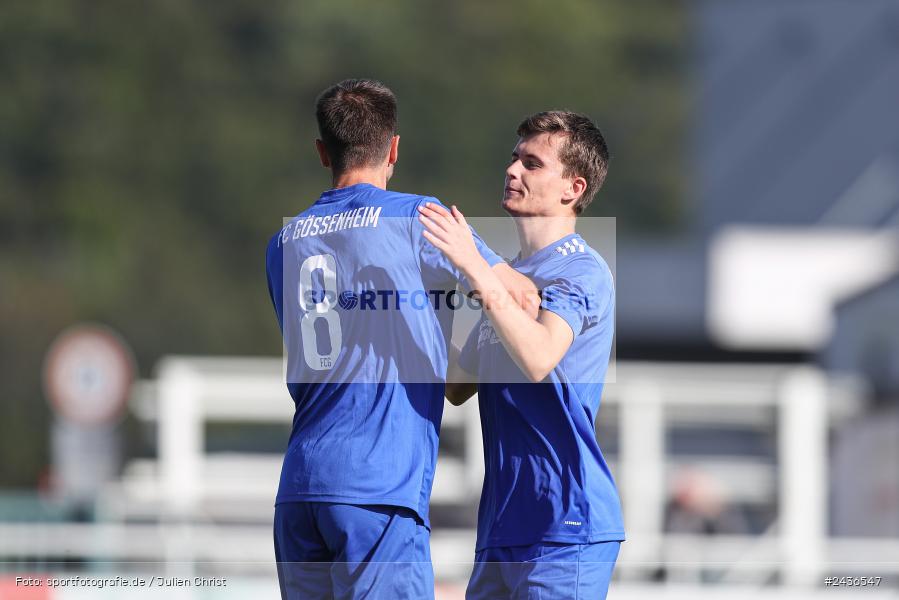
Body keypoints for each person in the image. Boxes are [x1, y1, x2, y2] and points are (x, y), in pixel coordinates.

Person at [264, 79, 536, 600]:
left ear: (323, 152)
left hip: (299, 490)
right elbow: (520, 297)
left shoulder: (284, 241)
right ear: (393, 148)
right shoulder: (418, 219)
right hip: (378, 487)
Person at [418, 110, 624, 599]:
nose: (512, 170)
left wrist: (476, 269)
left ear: (572, 189)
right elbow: (455, 385)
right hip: (503, 524)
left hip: (564, 521)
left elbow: (538, 357)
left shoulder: (583, 270)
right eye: (514, 158)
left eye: (532, 163)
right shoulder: (506, 275)